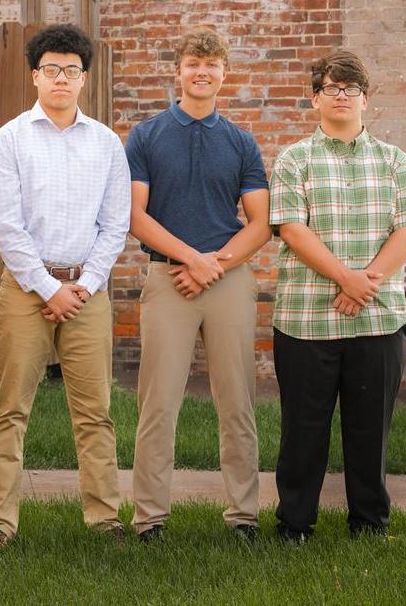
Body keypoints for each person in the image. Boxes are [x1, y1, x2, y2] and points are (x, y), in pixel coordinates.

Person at [269, 49, 406, 542]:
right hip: (306, 320)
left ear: (366, 99)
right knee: (304, 429)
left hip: (378, 321)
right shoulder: (294, 159)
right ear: (315, 98)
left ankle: (369, 522)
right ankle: (295, 524)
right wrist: (346, 278)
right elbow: (293, 230)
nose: (342, 96)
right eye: (331, 88)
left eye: (351, 88)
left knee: (370, 431)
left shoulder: (394, 160)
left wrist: (365, 283)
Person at [0, 23, 130, 547]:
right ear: (35, 76)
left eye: (71, 70)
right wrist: (48, 288)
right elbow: (8, 224)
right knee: (10, 409)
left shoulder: (107, 143)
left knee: (95, 413)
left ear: (84, 79)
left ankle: (106, 517)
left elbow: (115, 225)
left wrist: (84, 285)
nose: (61, 79)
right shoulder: (11, 138)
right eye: (51, 70)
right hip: (26, 289)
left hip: (87, 292)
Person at [126, 27, 271, 543]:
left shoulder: (240, 141)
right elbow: (134, 215)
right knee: (158, 402)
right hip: (168, 279)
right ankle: (149, 519)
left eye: (211, 64)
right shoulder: (145, 136)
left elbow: (259, 222)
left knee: (237, 400)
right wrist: (191, 259)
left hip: (228, 279)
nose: (202, 72)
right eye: (193, 63)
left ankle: (243, 516)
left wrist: (216, 263)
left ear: (224, 74)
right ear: (179, 72)